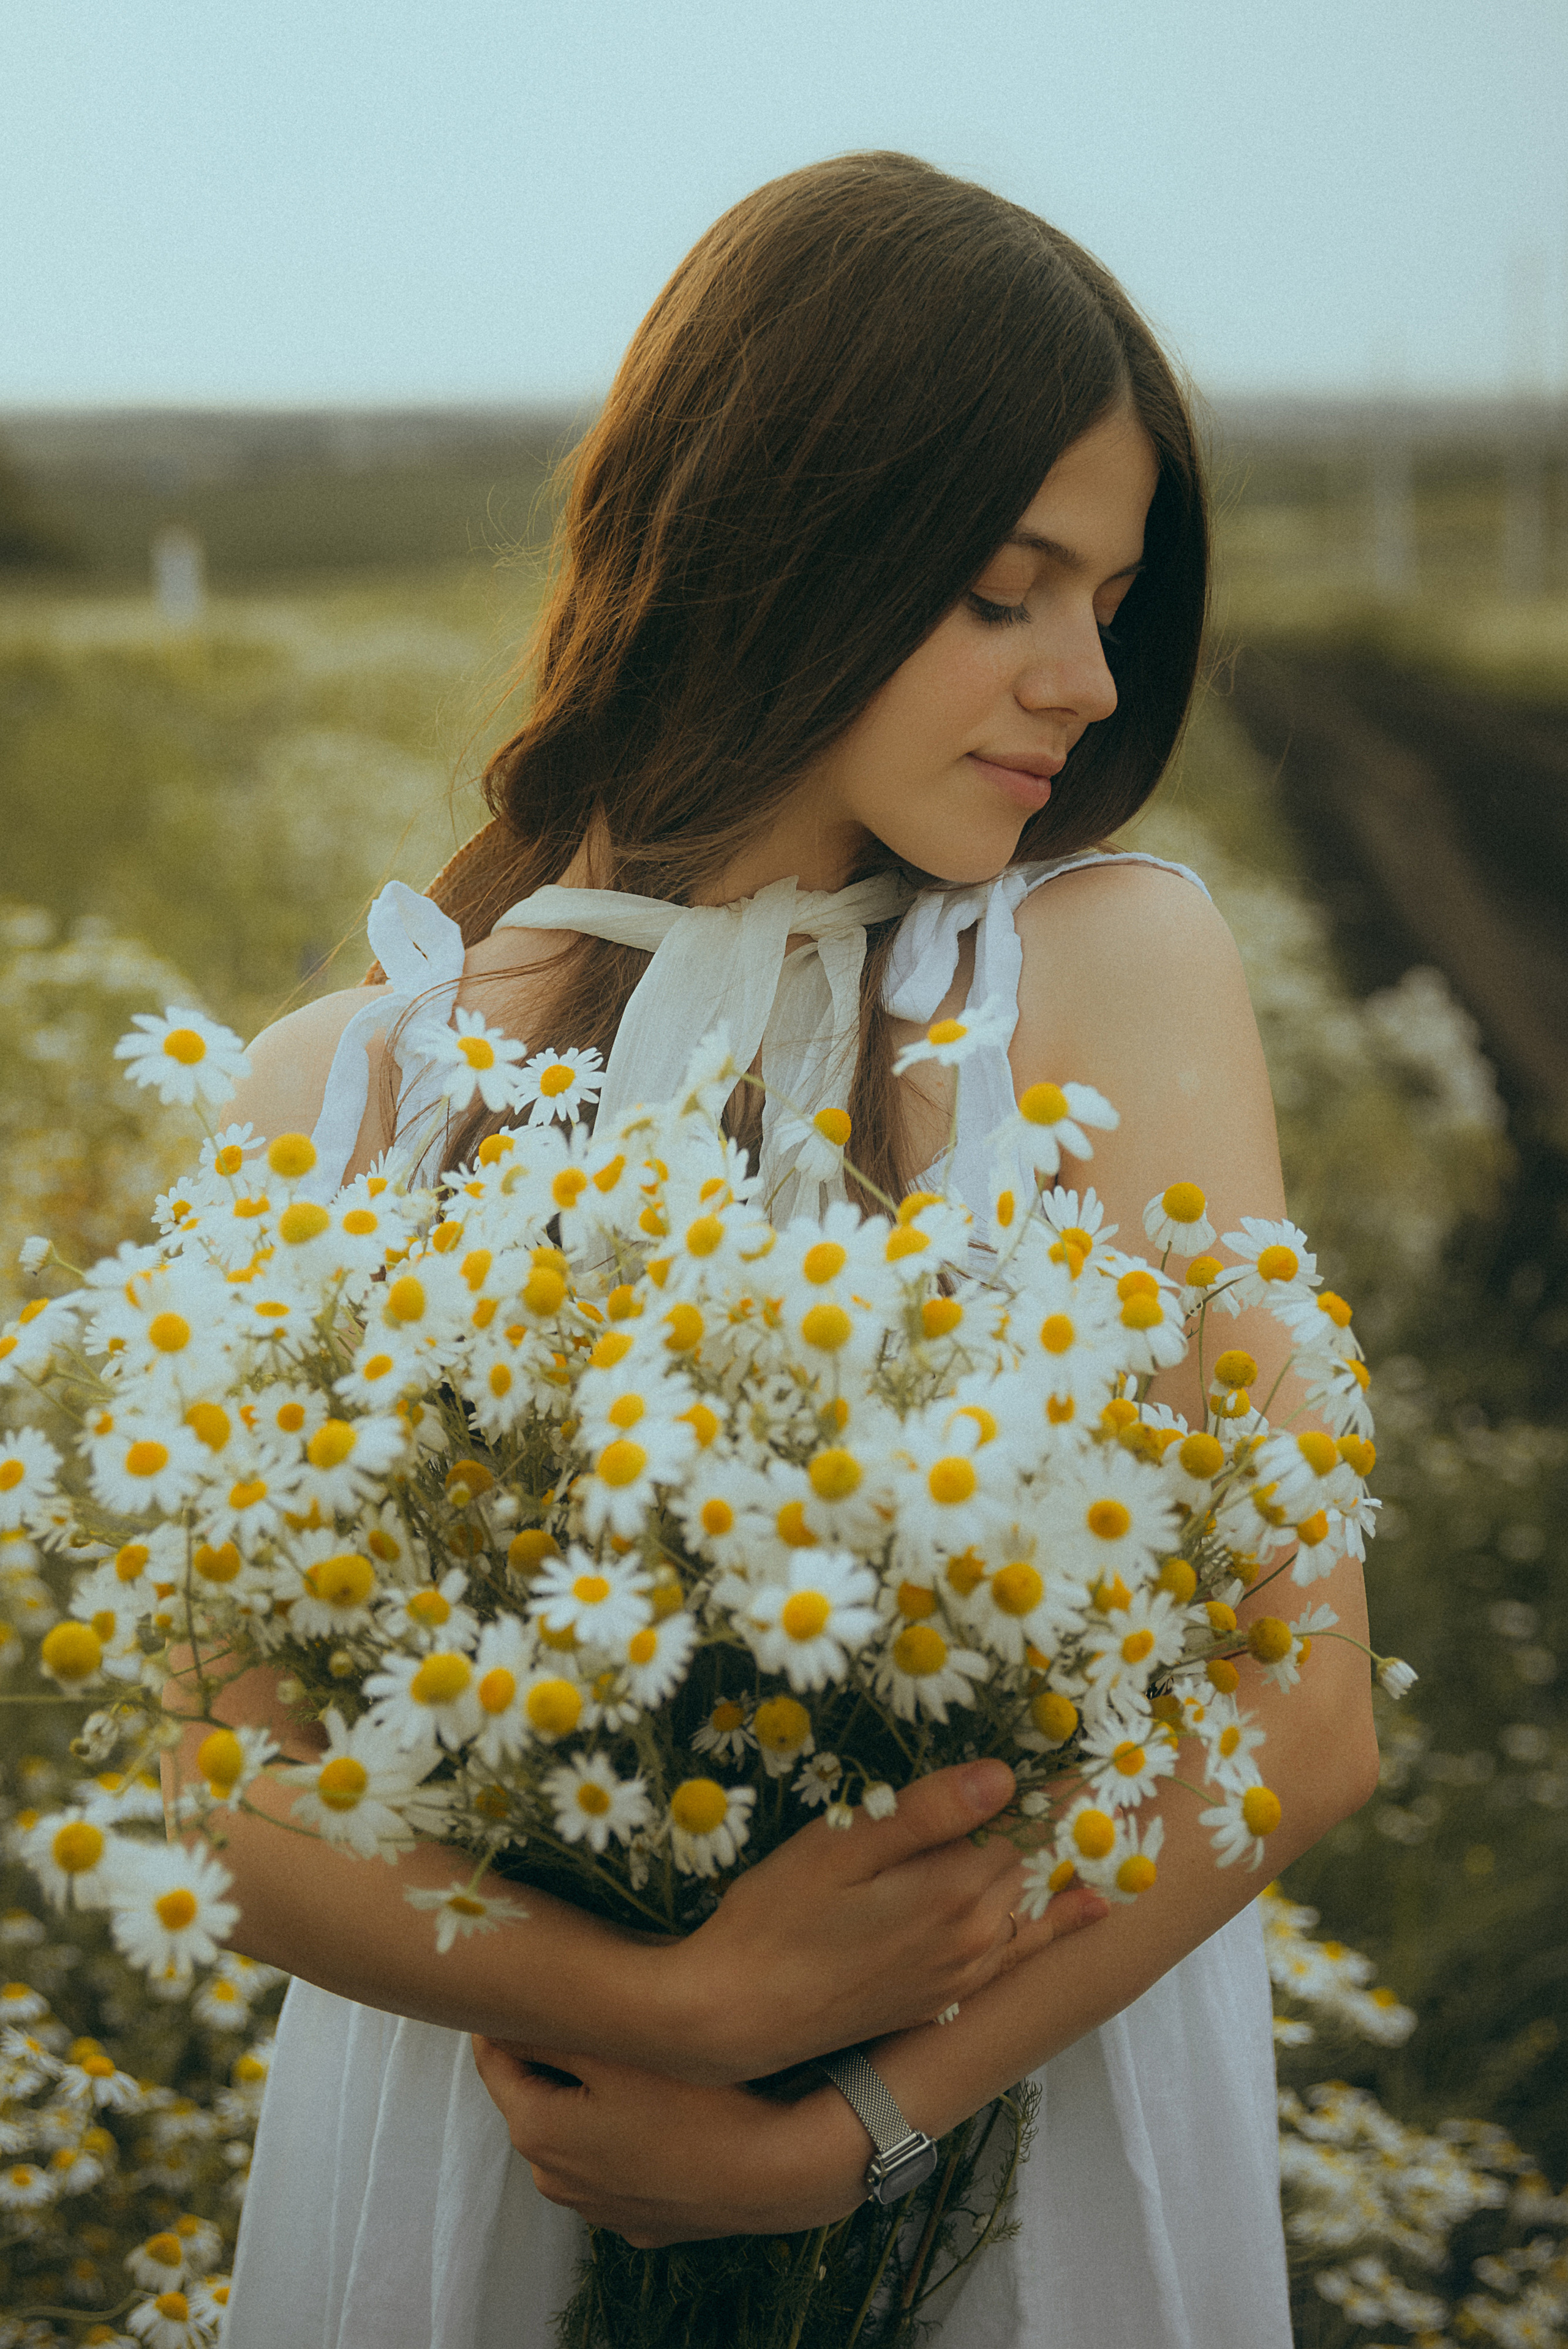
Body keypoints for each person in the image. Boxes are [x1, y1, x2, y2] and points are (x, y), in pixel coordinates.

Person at [202, 151, 1379, 2347]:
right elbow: (247, 1803)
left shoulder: (1107, 977)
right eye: (1007, 592)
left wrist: (836, 2130)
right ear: (783, 543)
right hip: (489, 2178)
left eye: (1109, 602)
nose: (1087, 684)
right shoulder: (340, 1087)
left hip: (1010, 2153)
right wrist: (673, 1999)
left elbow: (1301, 1713)